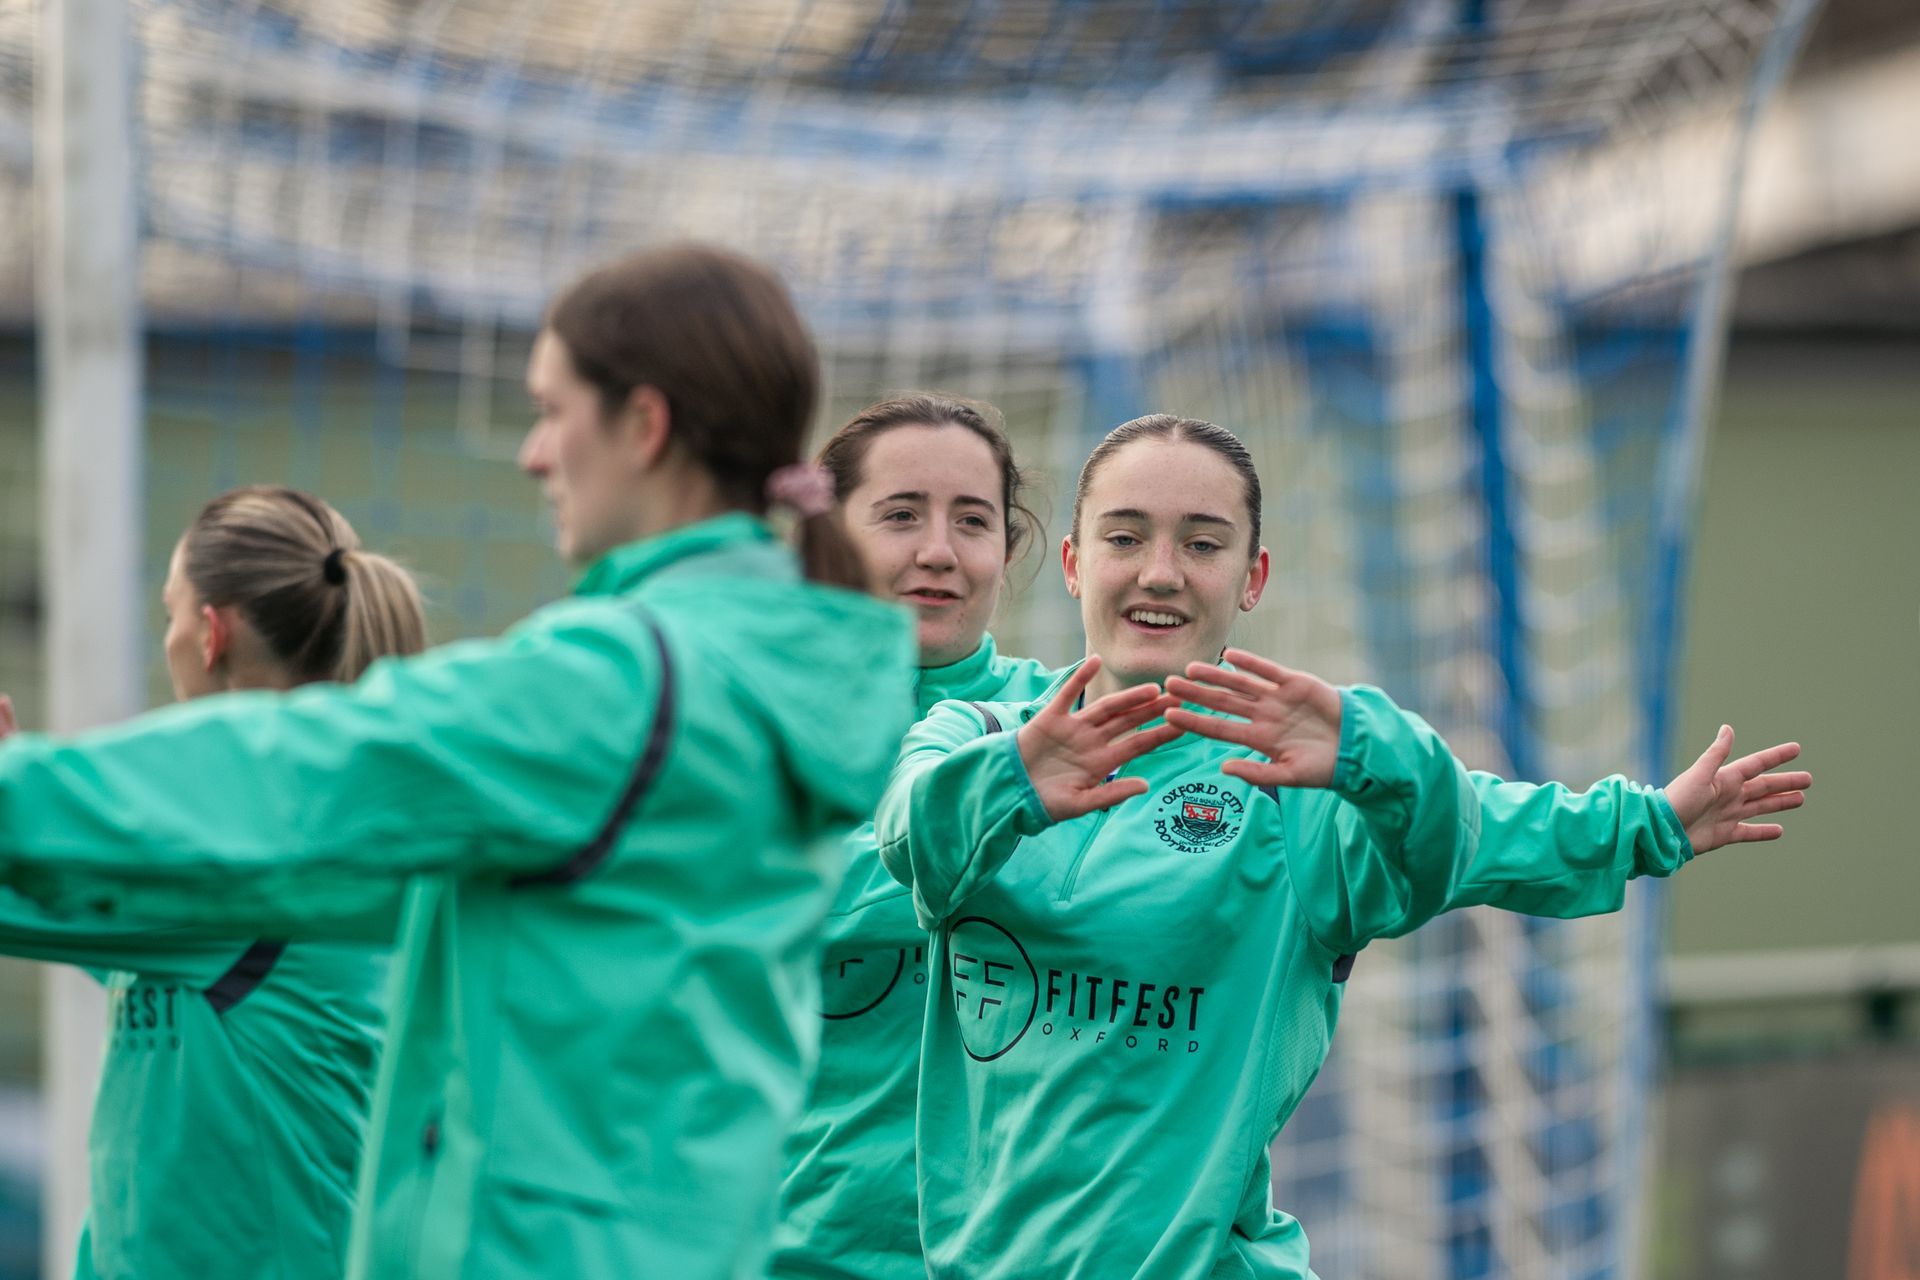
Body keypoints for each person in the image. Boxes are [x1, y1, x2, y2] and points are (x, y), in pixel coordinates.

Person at [0, 243, 918, 1280]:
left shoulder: (628, 680)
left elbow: (310, 766)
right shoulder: (772, 659)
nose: (532, 452)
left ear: (644, 425)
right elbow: (345, 880)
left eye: (551, 408)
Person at [876, 414, 1810, 1279]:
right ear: (1076, 563)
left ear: (1253, 576)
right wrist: (1014, 781)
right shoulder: (972, 737)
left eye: (1202, 544)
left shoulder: (1298, 787)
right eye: (1126, 537)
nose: (1161, 572)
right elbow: (911, 835)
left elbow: (1462, 835)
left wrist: (1378, 754)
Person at [0, 487, 423, 1280]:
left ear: (210, 631)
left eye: (170, 611)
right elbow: (176, 956)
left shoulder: (258, 842)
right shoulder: (287, 821)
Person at [771, 394, 1056, 1280]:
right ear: (826, 539)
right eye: (901, 516)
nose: (938, 551)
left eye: (972, 521)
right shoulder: (749, 730)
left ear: (1006, 553)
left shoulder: (1072, 723)